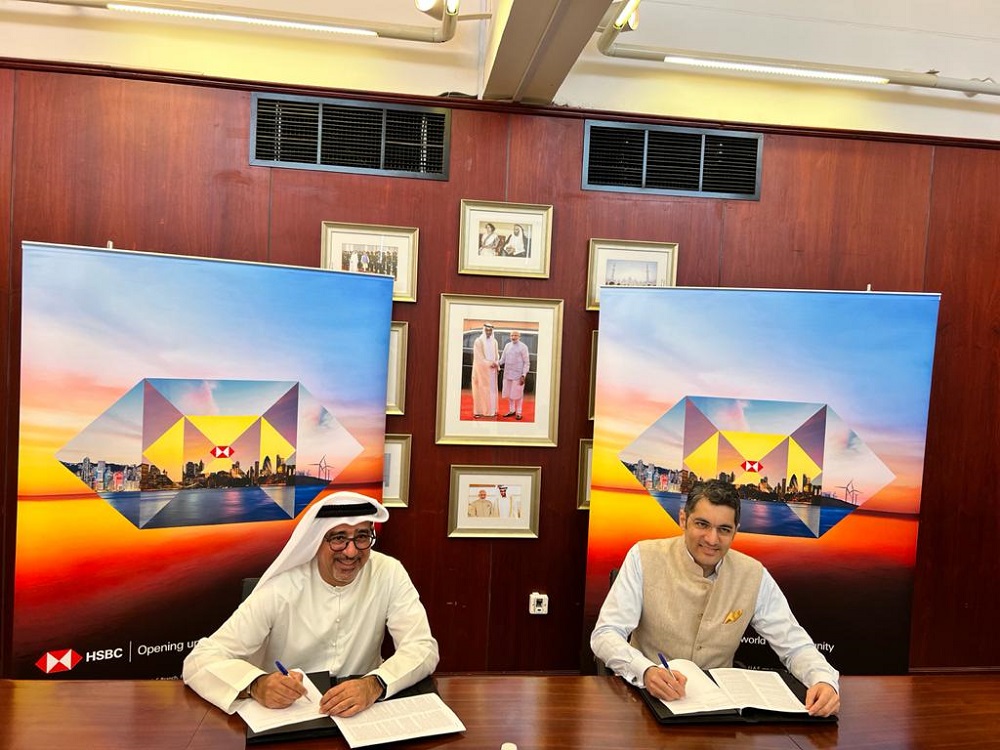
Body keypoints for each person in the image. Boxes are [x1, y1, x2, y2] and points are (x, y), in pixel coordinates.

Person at [590, 479, 840, 717]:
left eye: (724, 530)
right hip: (646, 698)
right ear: (683, 519)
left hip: (719, 709)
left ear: (735, 531)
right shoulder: (643, 556)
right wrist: (645, 670)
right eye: (702, 524)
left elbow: (794, 644)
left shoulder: (753, 573)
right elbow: (605, 634)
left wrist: (822, 680)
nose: (712, 539)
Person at [182, 491, 439, 718]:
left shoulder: (388, 572)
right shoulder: (281, 587)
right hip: (288, 714)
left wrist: (375, 684)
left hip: (363, 711)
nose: (351, 552)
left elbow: (422, 647)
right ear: (317, 540)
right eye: (338, 538)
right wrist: (256, 685)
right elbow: (199, 661)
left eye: (362, 537)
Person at [498, 330, 530, 420]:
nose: (513, 337)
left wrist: (523, 375)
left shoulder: (523, 347)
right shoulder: (507, 346)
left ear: (519, 337)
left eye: (515, 335)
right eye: (512, 335)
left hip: (518, 375)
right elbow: (502, 360)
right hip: (508, 374)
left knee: (518, 394)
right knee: (509, 393)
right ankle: (512, 410)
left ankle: (519, 412)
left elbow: (526, 362)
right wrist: (495, 364)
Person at [471, 323, 499, 418]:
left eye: (490, 330)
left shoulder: (494, 341)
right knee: (481, 390)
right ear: (484, 330)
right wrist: (489, 363)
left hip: (492, 371)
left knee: (492, 390)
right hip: (481, 371)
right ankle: (481, 411)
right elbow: (478, 357)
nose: (488, 332)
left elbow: (497, 354)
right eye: (487, 330)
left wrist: (496, 363)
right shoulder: (478, 341)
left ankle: (491, 411)